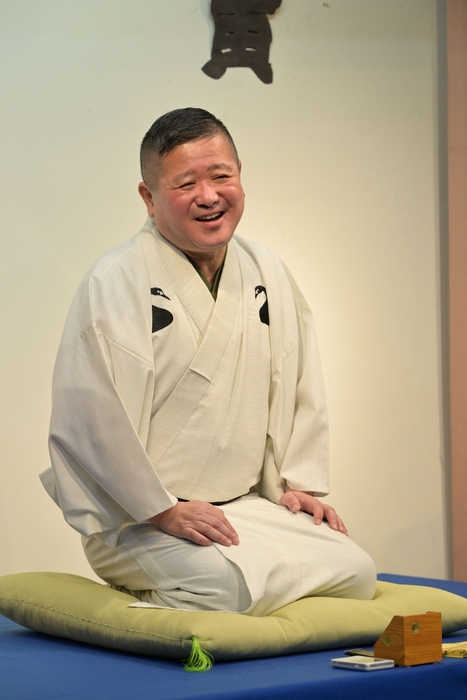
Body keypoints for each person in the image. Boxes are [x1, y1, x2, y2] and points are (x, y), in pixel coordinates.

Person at [40, 108, 376, 616]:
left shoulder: (266, 270)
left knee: (356, 570)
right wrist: (161, 510)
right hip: (141, 521)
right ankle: (148, 605)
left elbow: (301, 377)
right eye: (186, 183)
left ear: (239, 176)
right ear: (149, 197)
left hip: (244, 508)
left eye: (221, 176)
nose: (209, 195)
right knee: (225, 586)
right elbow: (93, 417)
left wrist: (297, 486)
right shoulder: (116, 279)